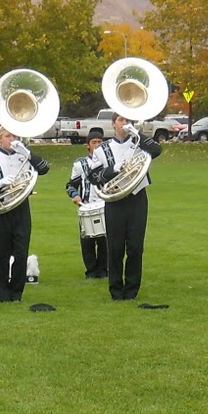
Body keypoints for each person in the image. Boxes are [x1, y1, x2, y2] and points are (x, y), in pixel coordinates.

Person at [0, 129, 50, 302]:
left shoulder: (24, 157)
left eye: (15, 136)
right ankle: (2, 294)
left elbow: (44, 168)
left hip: (20, 209)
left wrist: (27, 153)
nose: (12, 139)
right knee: (0, 254)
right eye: (8, 136)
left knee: (21, 252)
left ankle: (16, 293)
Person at [88, 115, 162, 301]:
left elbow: (157, 149)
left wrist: (137, 133)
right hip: (114, 201)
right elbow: (94, 177)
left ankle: (132, 289)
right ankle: (116, 289)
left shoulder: (140, 144)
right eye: (121, 120)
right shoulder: (102, 149)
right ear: (113, 123)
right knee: (115, 247)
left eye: (128, 120)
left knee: (136, 247)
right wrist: (113, 169)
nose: (125, 124)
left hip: (137, 198)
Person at [66, 131, 108, 279]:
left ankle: (103, 270)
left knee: (105, 240)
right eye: (94, 142)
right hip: (86, 206)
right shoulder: (80, 164)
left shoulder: (108, 162)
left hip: (105, 205)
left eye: (100, 142)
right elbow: (71, 185)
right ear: (88, 146)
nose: (97, 145)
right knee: (87, 240)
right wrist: (75, 195)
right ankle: (91, 270)